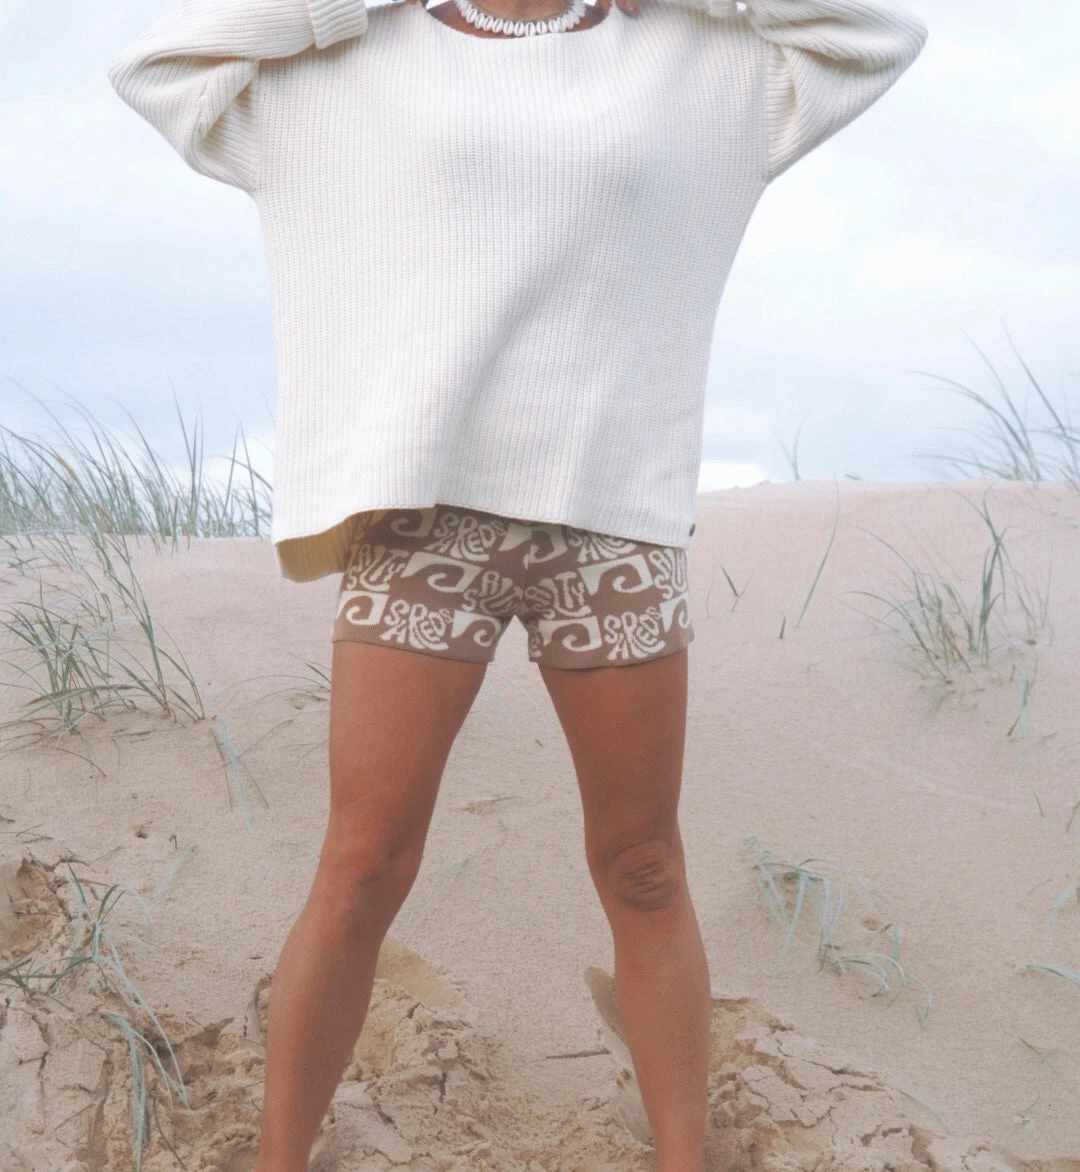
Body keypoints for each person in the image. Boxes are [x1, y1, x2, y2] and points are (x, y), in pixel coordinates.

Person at [107, 0, 928, 1166]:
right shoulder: (363, 56)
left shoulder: (690, 62)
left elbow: (878, 35)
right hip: (424, 514)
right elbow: (158, 65)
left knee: (642, 862)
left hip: (611, 519)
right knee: (363, 862)